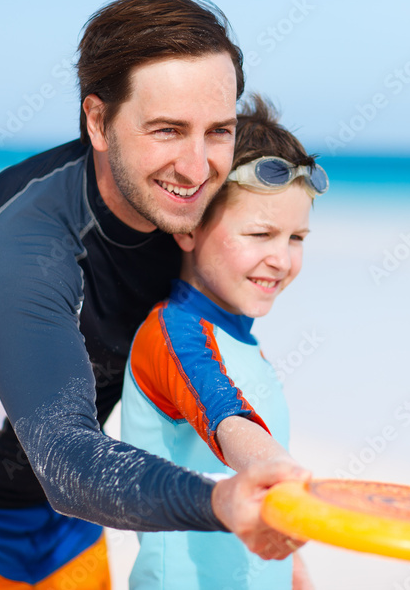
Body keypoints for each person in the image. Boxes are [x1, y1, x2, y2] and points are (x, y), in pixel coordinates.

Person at [0, 0, 309, 589]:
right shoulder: (25, 248)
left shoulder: (188, 216)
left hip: (66, 517)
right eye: (167, 130)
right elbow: (68, 461)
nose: (197, 168)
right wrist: (223, 504)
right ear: (98, 120)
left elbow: (201, 363)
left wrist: (269, 481)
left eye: (217, 131)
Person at [121, 95, 327, 590]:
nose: (281, 259)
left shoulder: (239, 341)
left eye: (296, 237)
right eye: (260, 233)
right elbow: (223, 413)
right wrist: (282, 473)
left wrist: (290, 569)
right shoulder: (173, 334)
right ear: (189, 228)